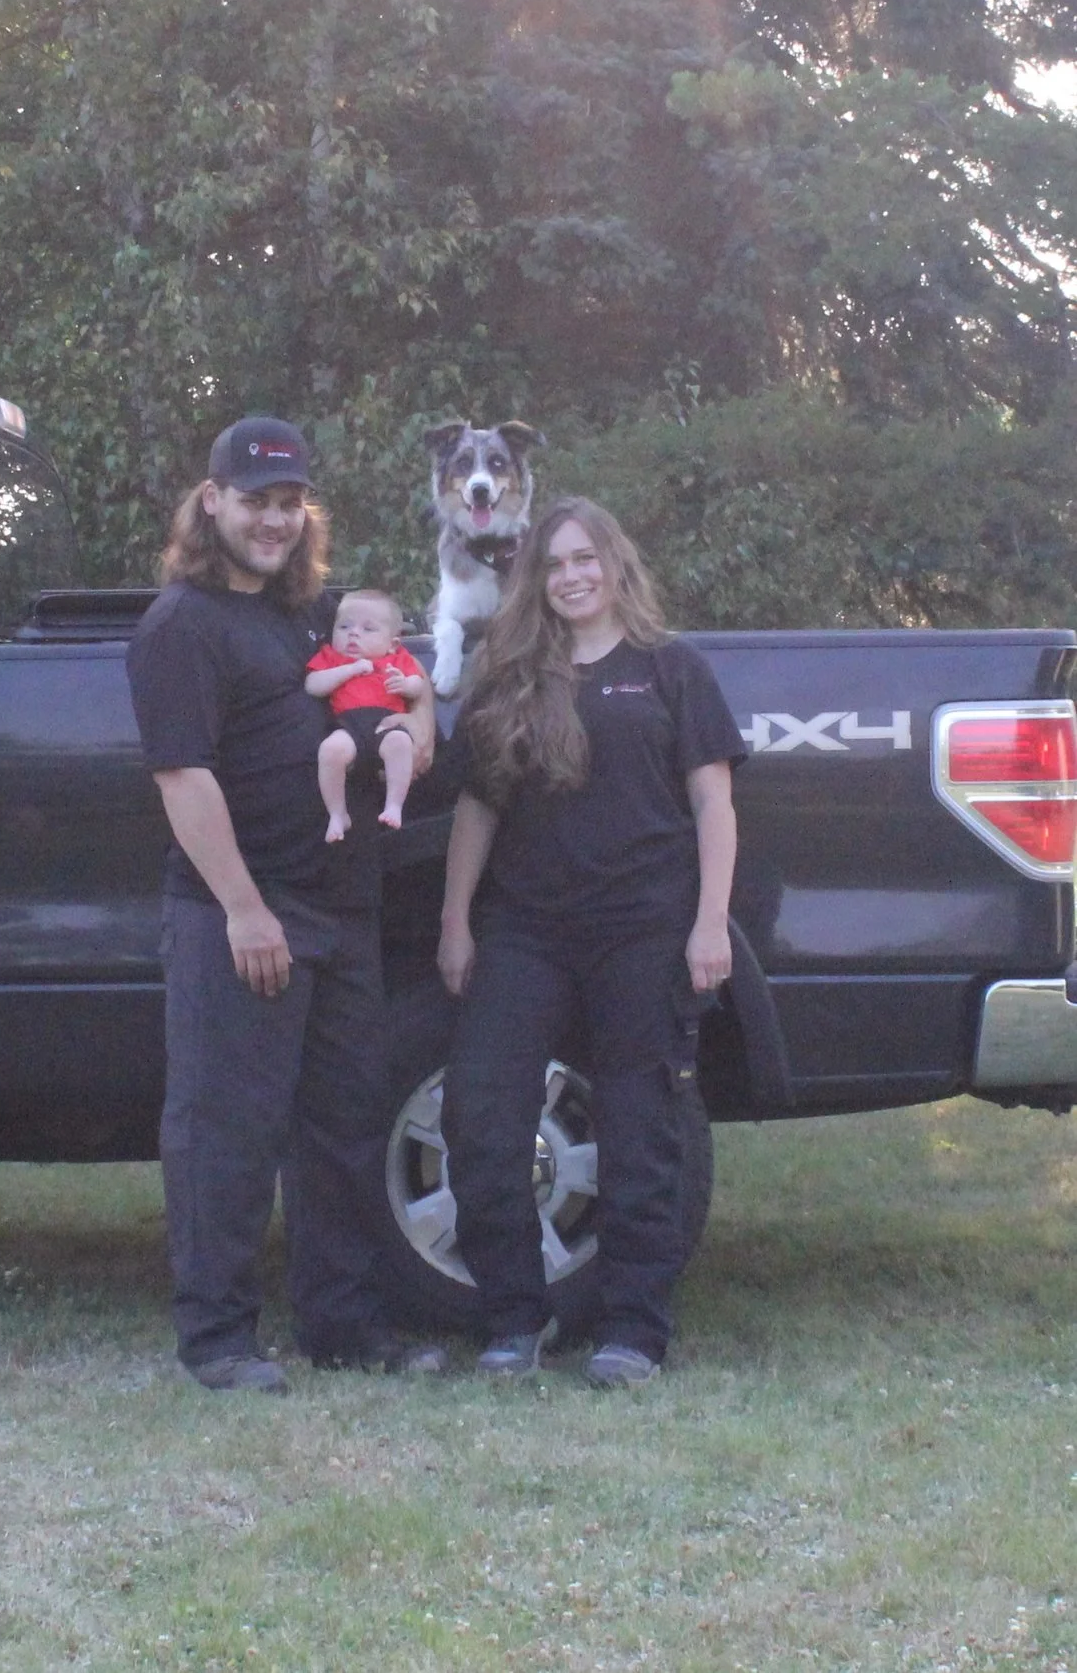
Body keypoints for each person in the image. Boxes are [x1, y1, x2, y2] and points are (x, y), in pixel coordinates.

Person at [125, 417, 444, 1393]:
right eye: (253, 500)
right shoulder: (181, 626)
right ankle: (217, 1341)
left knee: (342, 1128)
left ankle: (341, 1327)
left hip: (339, 916)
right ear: (210, 501)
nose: (271, 520)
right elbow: (183, 778)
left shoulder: (311, 618)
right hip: (245, 917)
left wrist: (419, 726)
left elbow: (404, 690)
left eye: (286, 503)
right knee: (226, 1129)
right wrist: (242, 909)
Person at [434, 498, 744, 1388]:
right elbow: (477, 806)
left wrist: (710, 920)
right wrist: (456, 920)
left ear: (614, 565)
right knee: (480, 1114)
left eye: (585, 559)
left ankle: (633, 1330)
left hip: (643, 930)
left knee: (643, 1126)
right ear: (535, 577)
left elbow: (713, 804)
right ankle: (512, 1320)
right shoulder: (511, 677)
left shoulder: (671, 669)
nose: (572, 576)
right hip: (523, 931)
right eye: (554, 563)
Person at [304, 589, 428, 841]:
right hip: (348, 725)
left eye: (368, 629)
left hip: (386, 722)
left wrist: (405, 685)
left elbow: (419, 685)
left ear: (392, 643)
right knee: (330, 751)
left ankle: (394, 804)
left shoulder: (397, 659)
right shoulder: (332, 657)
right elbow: (313, 685)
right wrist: (350, 670)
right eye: (345, 626)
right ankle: (338, 814)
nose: (353, 633)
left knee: (400, 743)